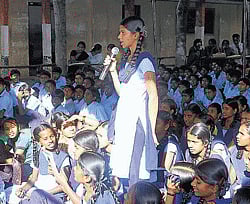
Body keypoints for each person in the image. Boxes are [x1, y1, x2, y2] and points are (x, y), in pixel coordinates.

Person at [106, 16, 158, 186]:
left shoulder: (145, 60)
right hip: (124, 122)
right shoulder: (128, 61)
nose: (119, 37)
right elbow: (123, 93)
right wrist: (113, 71)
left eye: (123, 33)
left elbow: (153, 96)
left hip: (137, 124)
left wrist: (151, 129)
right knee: (125, 172)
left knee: (136, 171)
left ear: (135, 35)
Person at [15, 124, 71, 202]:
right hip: (38, 192)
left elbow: (63, 185)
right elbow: (33, 179)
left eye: (52, 136)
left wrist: (41, 194)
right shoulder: (38, 155)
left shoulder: (63, 157)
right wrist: (23, 189)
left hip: (54, 197)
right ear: (39, 142)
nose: (50, 140)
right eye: (45, 139)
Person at [50, 151, 120, 204]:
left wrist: (64, 184)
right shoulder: (87, 189)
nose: (74, 168)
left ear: (87, 178)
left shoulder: (103, 198)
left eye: (77, 168)